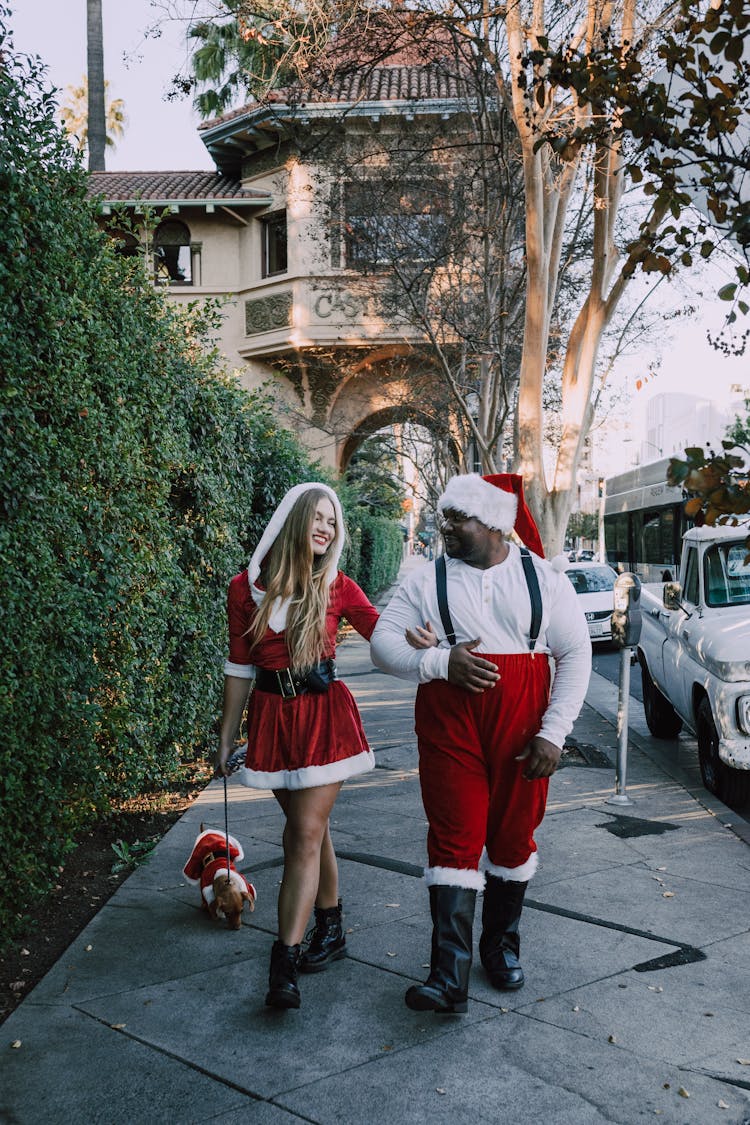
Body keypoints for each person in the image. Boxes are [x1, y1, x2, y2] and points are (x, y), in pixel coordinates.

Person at [370, 472, 592, 1014]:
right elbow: (380, 646)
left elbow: (576, 656)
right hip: (451, 728)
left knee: (513, 841)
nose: (444, 526)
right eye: (443, 516)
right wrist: (439, 660)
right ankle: (448, 976)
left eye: (456, 518)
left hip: (522, 729)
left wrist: (553, 734)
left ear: (493, 523)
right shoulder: (427, 580)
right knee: (453, 837)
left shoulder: (544, 580)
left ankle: (500, 947)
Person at [215, 482, 380, 1011]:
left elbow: (386, 633)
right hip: (272, 723)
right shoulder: (245, 590)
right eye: (319, 517)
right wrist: (225, 736)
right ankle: (330, 929)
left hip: (324, 720)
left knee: (303, 834)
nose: (327, 528)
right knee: (314, 830)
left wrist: (433, 646)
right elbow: (240, 668)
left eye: (333, 522)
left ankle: (282, 962)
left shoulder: (338, 586)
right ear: (293, 520)